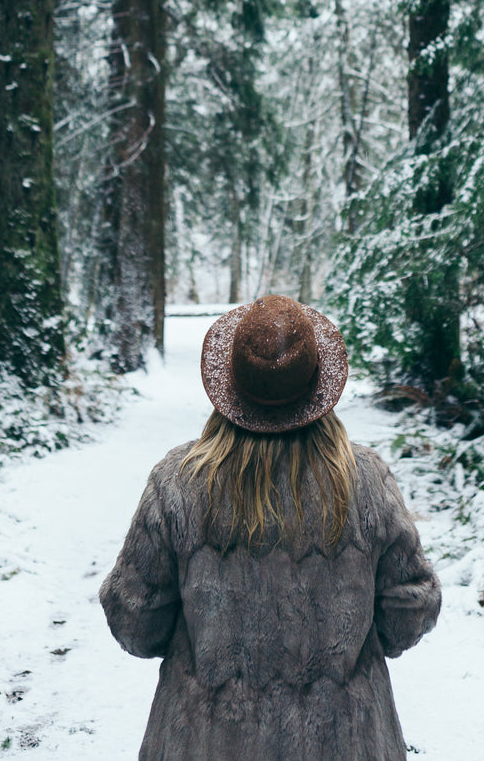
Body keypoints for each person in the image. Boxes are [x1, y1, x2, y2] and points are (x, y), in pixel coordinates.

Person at [99, 294, 441, 761]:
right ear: (318, 387)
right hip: (343, 741)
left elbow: (136, 618)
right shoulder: (365, 481)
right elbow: (409, 607)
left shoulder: (178, 483)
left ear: (231, 389)